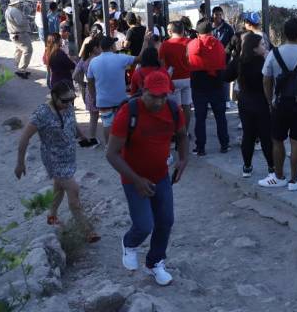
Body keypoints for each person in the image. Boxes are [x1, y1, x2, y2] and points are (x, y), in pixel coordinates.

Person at [106, 72, 188, 286]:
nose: (159, 101)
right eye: (154, 96)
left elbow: (182, 135)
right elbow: (111, 153)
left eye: (163, 96)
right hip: (133, 177)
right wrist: (136, 180)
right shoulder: (128, 113)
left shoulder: (173, 109)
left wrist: (183, 159)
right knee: (144, 225)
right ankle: (129, 243)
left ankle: (155, 262)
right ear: (144, 91)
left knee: (166, 221)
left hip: (160, 176)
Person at [15, 81, 99, 242]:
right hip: (53, 159)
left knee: (59, 188)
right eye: (65, 100)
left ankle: (51, 216)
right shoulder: (42, 113)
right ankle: (87, 230)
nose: (69, 103)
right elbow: (25, 137)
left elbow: (72, 123)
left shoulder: (68, 106)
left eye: (72, 99)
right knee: (73, 189)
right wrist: (20, 163)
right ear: (54, 96)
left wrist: (82, 137)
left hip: (68, 156)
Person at [258, 17, 297, 191]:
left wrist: (270, 101)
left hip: (279, 104)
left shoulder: (274, 53)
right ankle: (294, 180)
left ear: (285, 34)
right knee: (296, 142)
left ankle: (279, 176)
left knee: (277, 140)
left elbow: (266, 80)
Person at [224, 33, 275, 178]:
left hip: (245, 102)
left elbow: (226, 77)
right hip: (263, 102)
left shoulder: (239, 61)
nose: (265, 47)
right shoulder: (265, 61)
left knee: (248, 135)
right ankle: (271, 167)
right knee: (265, 136)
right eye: (262, 45)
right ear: (254, 48)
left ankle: (247, 167)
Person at [87, 34, 149, 145]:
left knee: (107, 124)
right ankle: (121, 146)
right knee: (122, 123)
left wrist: (93, 97)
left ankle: (108, 146)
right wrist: (145, 41)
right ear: (112, 46)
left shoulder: (93, 61)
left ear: (101, 47)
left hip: (103, 100)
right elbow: (140, 58)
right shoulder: (120, 57)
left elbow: (90, 82)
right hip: (120, 99)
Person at [188, 21, 230, 155]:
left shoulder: (192, 44)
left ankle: (200, 148)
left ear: (198, 33)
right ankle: (224, 145)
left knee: (200, 118)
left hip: (198, 85)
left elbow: (188, 60)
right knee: (220, 116)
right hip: (216, 84)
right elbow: (223, 61)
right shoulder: (218, 44)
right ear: (211, 32)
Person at [159, 21, 192, 138]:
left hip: (173, 80)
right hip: (188, 78)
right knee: (187, 106)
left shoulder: (165, 44)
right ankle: (185, 131)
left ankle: (177, 132)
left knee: (176, 108)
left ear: (170, 31)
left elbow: (161, 63)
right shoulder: (190, 42)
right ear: (183, 30)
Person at [73, 39, 101, 147]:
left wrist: (83, 84)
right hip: (101, 90)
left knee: (93, 117)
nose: (101, 49)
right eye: (99, 47)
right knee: (108, 116)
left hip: (90, 90)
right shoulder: (98, 60)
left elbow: (74, 75)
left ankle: (92, 138)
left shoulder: (84, 60)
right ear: (95, 48)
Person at [5, 0, 33, 79]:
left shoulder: (8, 10)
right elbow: (20, 22)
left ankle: (18, 67)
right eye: (18, 2)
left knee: (19, 50)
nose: (19, 4)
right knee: (28, 50)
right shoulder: (15, 11)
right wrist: (27, 19)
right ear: (16, 3)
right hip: (20, 34)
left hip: (14, 34)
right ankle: (21, 69)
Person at [211, 6, 235, 106]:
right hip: (211, 59)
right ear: (213, 15)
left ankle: (226, 100)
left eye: (220, 14)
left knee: (225, 78)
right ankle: (213, 100)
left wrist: (228, 52)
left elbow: (233, 42)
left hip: (225, 58)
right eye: (216, 14)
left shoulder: (228, 28)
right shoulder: (209, 27)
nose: (218, 17)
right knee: (212, 79)